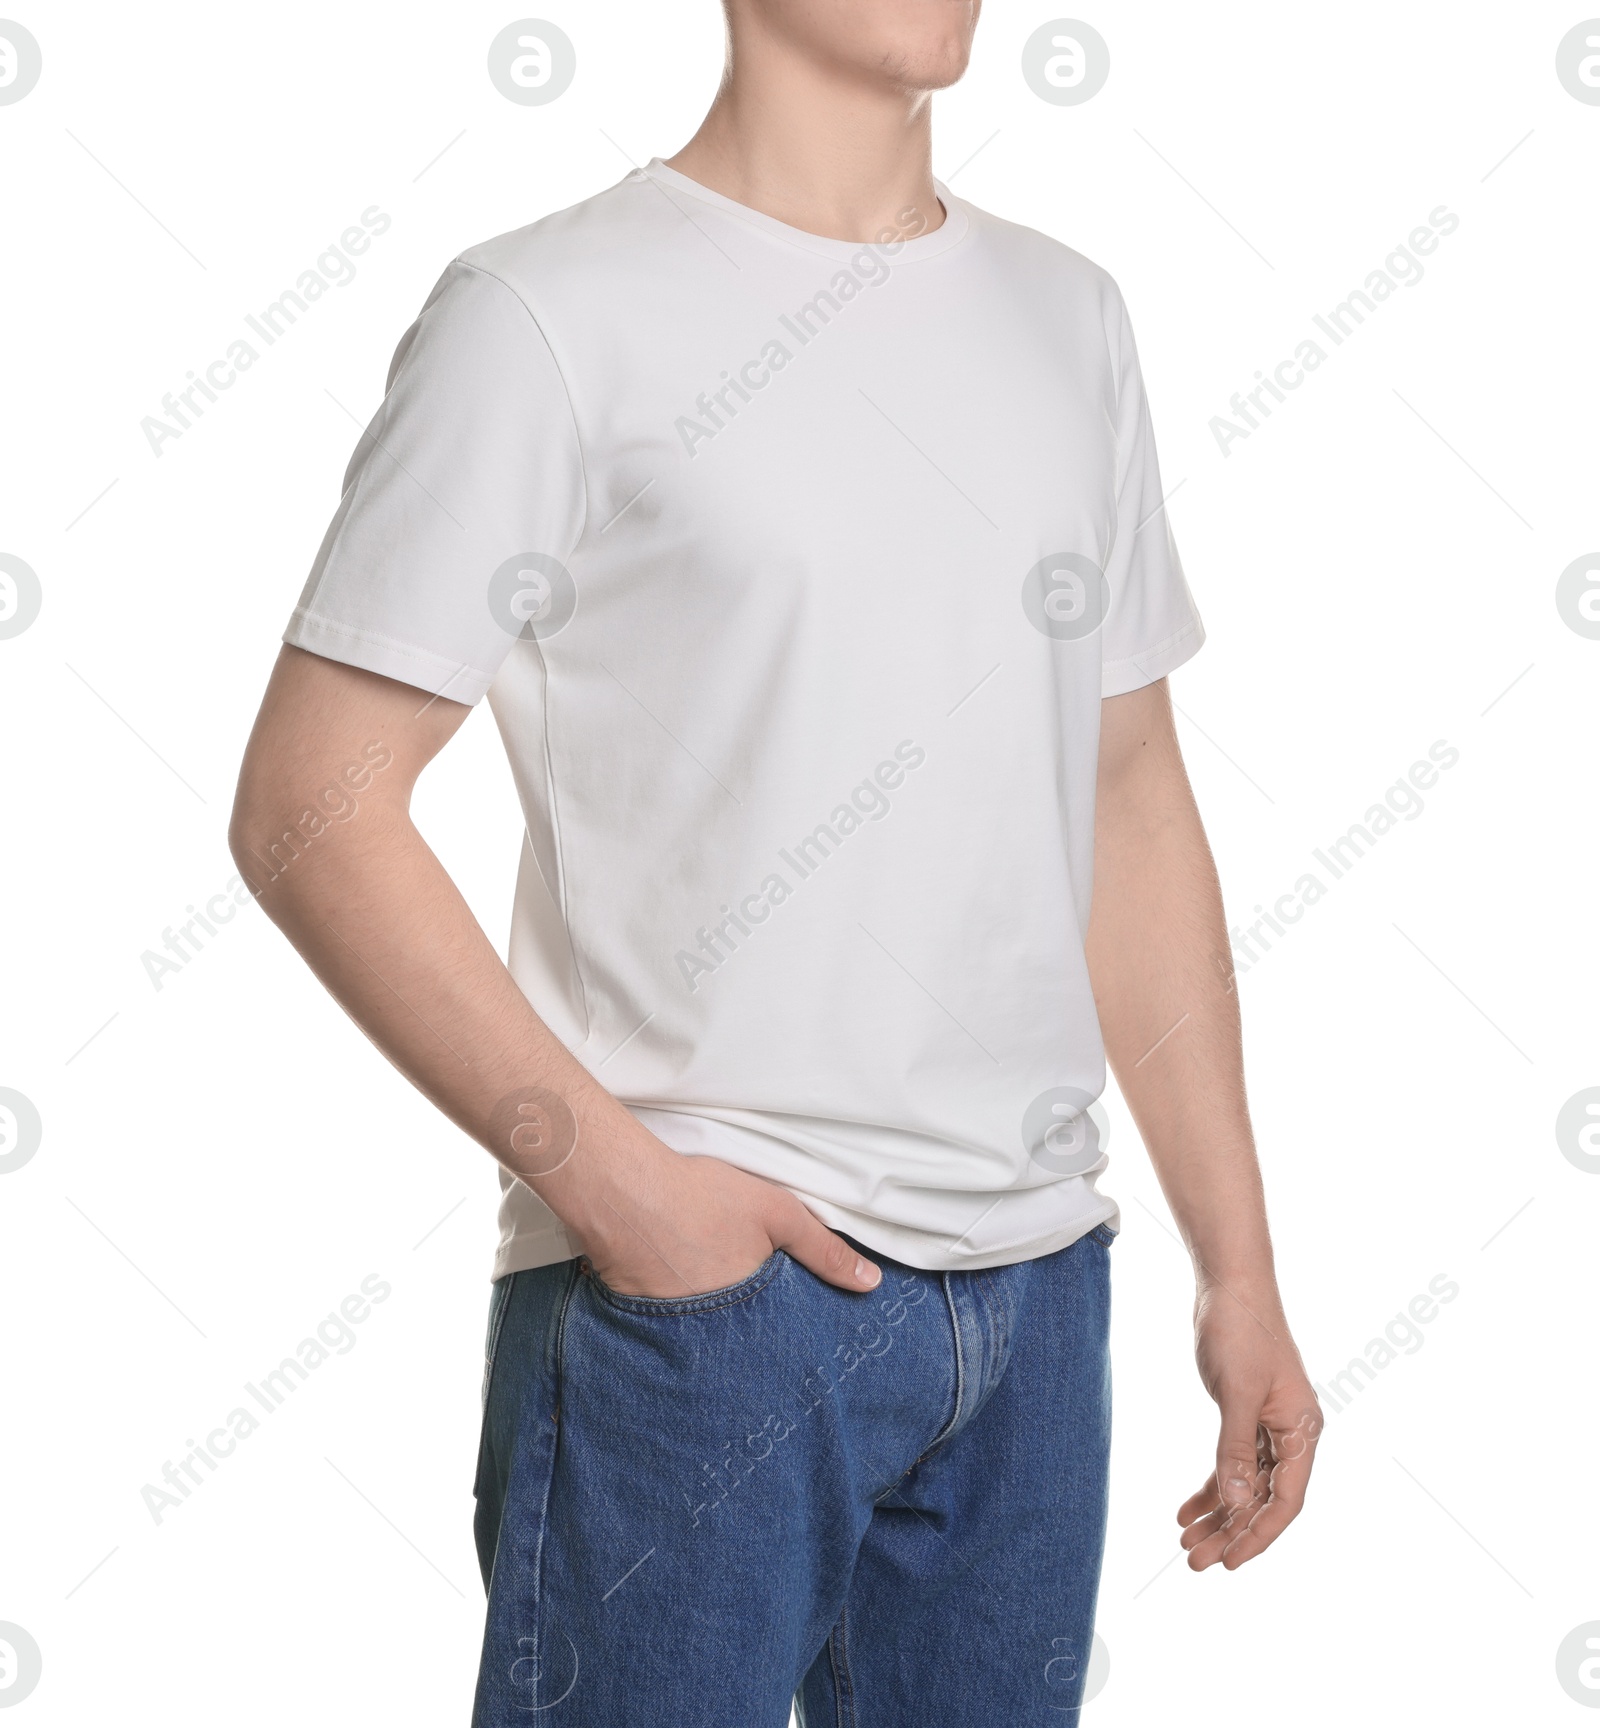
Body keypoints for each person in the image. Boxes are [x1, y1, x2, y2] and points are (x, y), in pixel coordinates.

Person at [229, 1, 1320, 1720]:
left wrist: (1239, 1273)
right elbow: (312, 804)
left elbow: (1128, 799)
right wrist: (624, 1197)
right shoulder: (548, 315)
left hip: (1038, 1314)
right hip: (704, 1320)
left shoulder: (1071, 318)